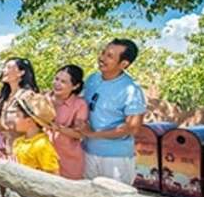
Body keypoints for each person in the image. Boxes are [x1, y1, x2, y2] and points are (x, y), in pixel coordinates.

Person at [77, 39, 146, 184]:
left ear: (123, 64)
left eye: (110, 56)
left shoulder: (131, 90)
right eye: (103, 53)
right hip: (87, 152)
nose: (102, 58)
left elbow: (132, 128)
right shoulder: (92, 79)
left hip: (116, 159)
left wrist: (93, 134)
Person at [48, 65, 89, 181]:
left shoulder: (79, 104)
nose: (57, 84)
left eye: (63, 82)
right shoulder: (43, 99)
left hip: (68, 160)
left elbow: (80, 134)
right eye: (56, 79)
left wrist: (58, 128)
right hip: (43, 157)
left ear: (75, 86)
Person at [0, 57, 39, 153]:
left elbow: (34, 126)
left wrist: (2, 126)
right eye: (4, 67)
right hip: (6, 152)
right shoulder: (4, 96)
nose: (3, 70)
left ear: (21, 73)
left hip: (25, 153)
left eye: (8, 67)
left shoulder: (28, 96)